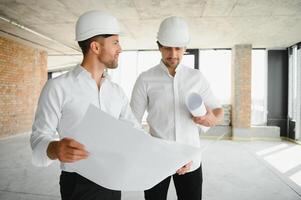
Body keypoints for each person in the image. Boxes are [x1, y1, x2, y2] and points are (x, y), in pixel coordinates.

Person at [30, 10, 140, 200]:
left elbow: (135, 133)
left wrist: (171, 159)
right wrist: (55, 148)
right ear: (96, 47)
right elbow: (38, 138)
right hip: (77, 185)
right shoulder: (58, 87)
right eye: (115, 42)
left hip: (113, 180)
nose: (120, 48)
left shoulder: (116, 91)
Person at [130, 16, 224, 200]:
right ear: (159, 46)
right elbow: (132, 122)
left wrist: (211, 118)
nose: (173, 54)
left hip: (191, 160)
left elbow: (218, 110)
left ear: (185, 48)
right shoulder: (145, 79)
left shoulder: (197, 77)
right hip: (156, 161)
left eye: (178, 48)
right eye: (167, 47)